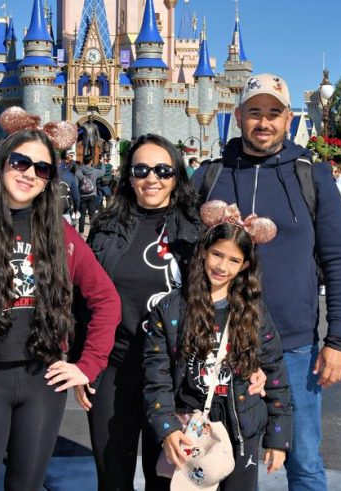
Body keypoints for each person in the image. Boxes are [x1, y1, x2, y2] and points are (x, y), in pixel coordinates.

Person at [0, 129, 121, 491]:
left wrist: (88, 365)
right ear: (2, 164)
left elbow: (106, 300)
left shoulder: (60, 233)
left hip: (42, 381)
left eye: (42, 168)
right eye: (20, 162)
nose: (29, 173)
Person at [192, 73, 341, 490]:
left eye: (273, 113)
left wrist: (338, 340)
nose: (263, 122)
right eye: (254, 112)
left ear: (287, 119)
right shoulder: (210, 177)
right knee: (211, 461)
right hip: (218, 344)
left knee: (304, 461)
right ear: (238, 117)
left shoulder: (312, 177)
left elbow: (338, 260)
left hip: (292, 346)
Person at [82, 134, 209, 490]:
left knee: (165, 481)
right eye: (141, 170)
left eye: (163, 170)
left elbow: (224, 297)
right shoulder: (107, 226)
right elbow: (83, 298)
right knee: (112, 479)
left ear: (177, 176)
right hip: (114, 368)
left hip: (172, 376)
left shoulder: (196, 230)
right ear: (129, 176)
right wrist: (81, 361)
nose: (152, 178)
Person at [143, 216, 292, 490]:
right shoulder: (171, 309)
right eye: (217, 254)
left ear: (244, 265)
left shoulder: (254, 311)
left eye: (234, 260)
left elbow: (275, 372)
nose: (222, 266)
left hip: (240, 428)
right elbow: (157, 375)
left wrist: (278, 438)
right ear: (204, 252)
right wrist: (166, 427)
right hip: (187, 427)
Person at [75, 158, 105, 235]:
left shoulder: (78, 172)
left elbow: (76, 185)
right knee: (92, 214)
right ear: (91, 161)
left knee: (82, 215)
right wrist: (102, 163)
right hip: (92, 195)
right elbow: (103, 172)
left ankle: (81, 232)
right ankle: (92, 232)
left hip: (82, 195)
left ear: (83, 161)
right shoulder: (94, 171)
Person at [58, 153, 79, 225]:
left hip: (49, 209)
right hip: (64, 207)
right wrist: (76, 209)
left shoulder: (47, 172)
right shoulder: (69, 173)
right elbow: (76, 197)